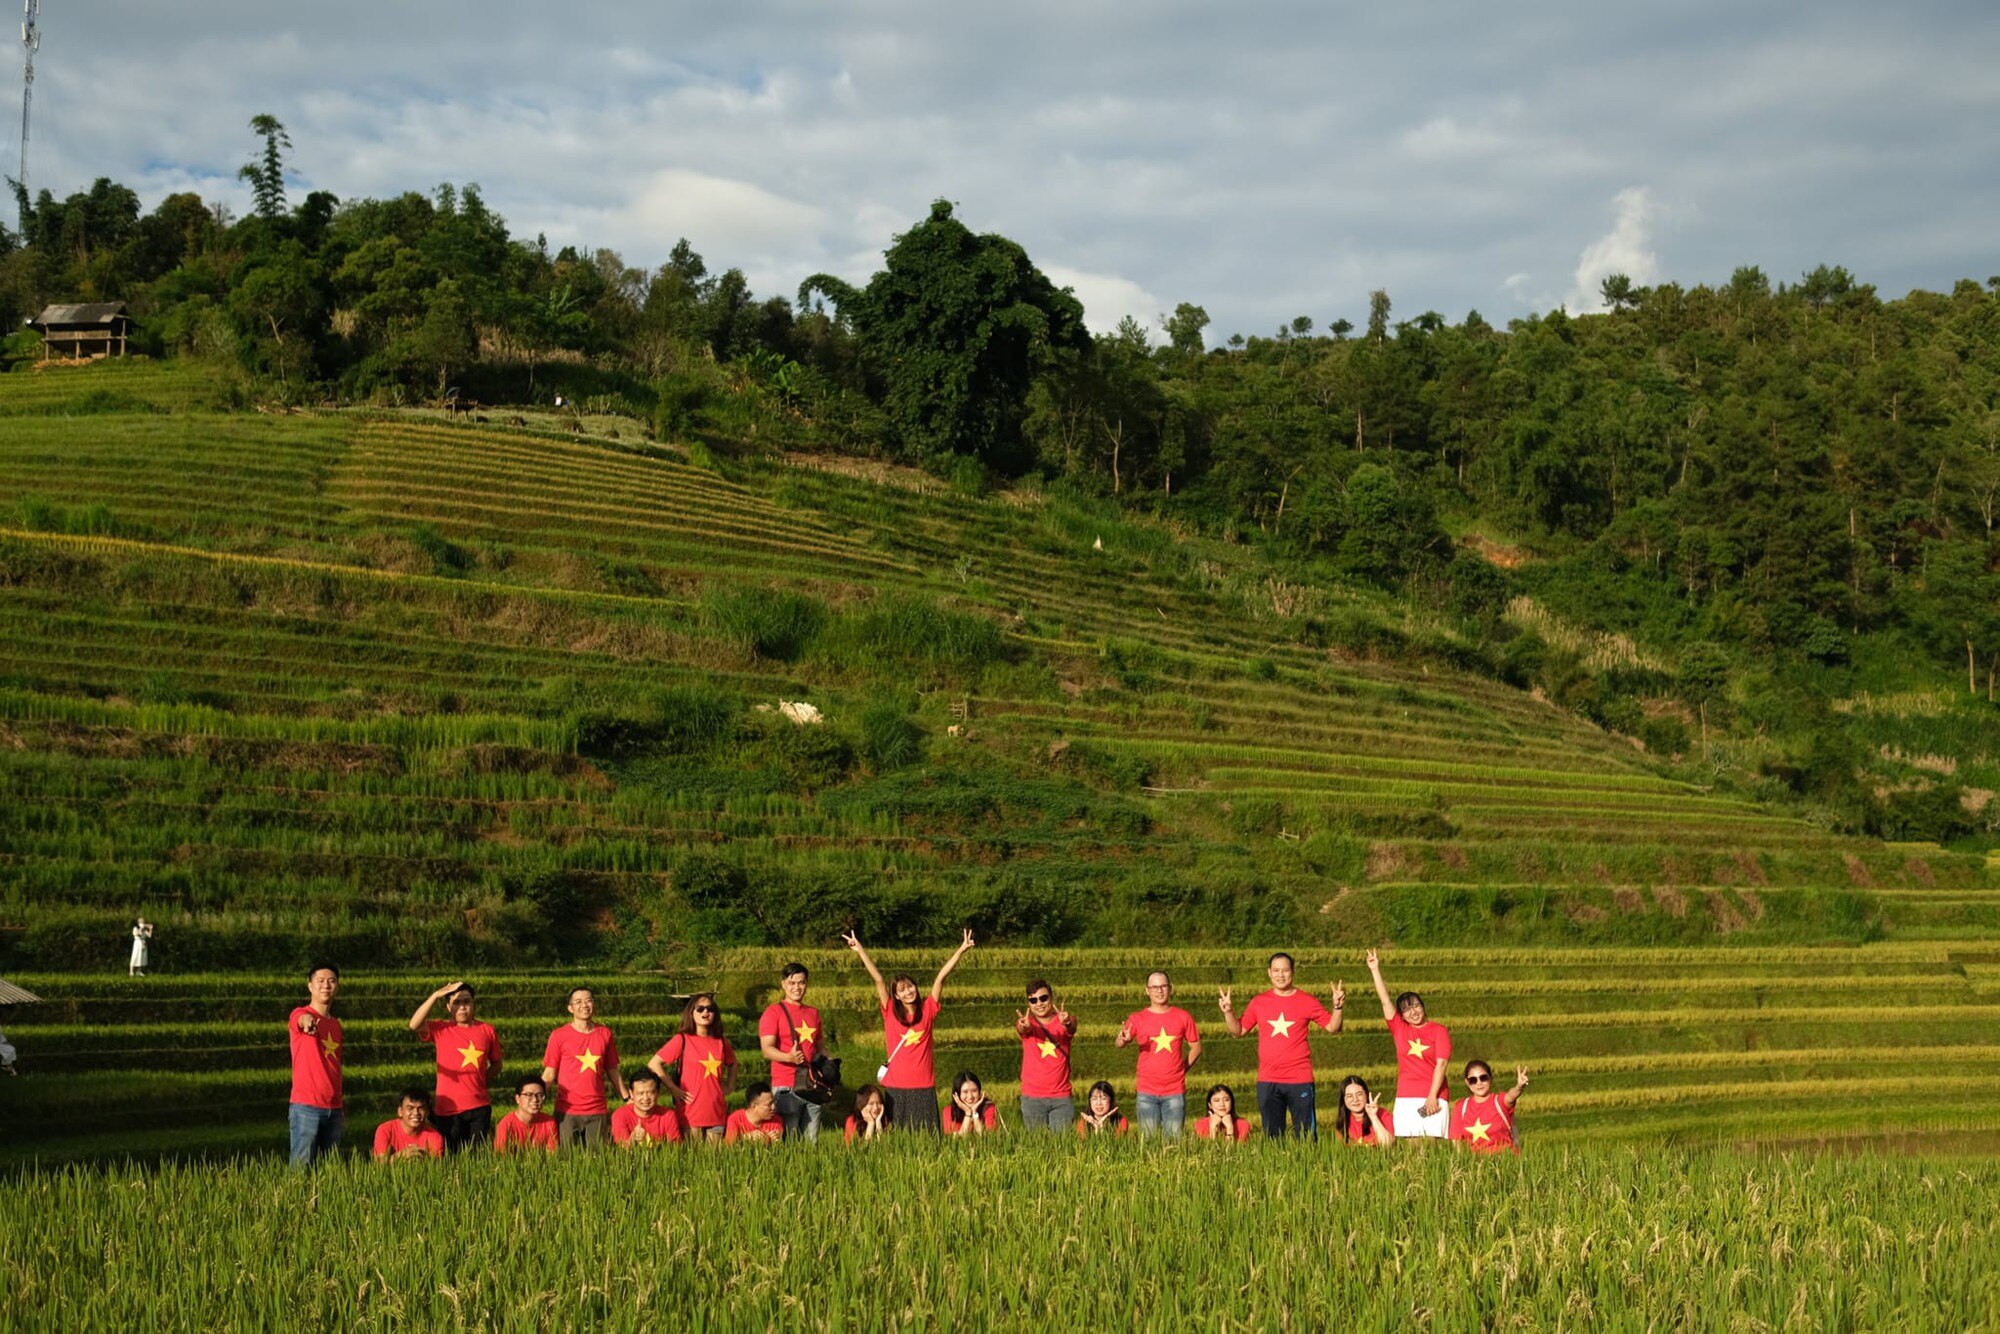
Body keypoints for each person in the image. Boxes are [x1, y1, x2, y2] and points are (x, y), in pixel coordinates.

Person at [842, 928, 974, 1133]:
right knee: (898, 1140)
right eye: (902, 990)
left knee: (927, 1139)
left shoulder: (928, 1010)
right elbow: (878, 979)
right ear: (896, 995)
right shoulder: (890, 1013)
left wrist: (961, 950)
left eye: (910, 986)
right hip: (897, 1088)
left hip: (924, 1086)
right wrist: (860, 949)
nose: (908, 991)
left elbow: (940, 979)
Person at [1218, 953, 1344, 1139]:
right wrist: (1228, 1012)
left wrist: (1338, 1007)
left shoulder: (1307, 1000)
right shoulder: (1259, 1002)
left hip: (1299, 1078)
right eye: (1276, 970)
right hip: (1268, 1079)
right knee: (1272, 1136)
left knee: (1306, 1136)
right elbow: (1238, 1031)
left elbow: (1334, 1027)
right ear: (1269, 973)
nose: (1281, 975)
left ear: (1292, 972)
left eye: (1285, 970)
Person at [408, 980, 503, 1153]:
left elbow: (497, 1064)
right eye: (456, 1002)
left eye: (466, 1001)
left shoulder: (487, 1030)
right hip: (447, 1109)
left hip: (479, 1106)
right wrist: (436, 995)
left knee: (477, 1157)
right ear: (448, 1007)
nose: (462, 1007)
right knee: (451, 1156)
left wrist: (480, 1080)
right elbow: (414, 1024)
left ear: (473, 1004)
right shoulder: (440, 1028)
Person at [1367, 949, 1451, 1139]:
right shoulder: (1400, 1029)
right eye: (1406, 1010)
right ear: (1402, 1015)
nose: (1413, 1012)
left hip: (1434, 1095)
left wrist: (1432, 1096)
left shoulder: (1439, 1030)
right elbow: (1384, 1000)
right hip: (1406, 1096)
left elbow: (1441, 1065)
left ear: (1423, 1006)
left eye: (1415, 1006)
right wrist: (1375, 969)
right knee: (1412, 1148)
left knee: (1431, 1146)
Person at [1114, 970, 1202, 1137]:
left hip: (1175, 1090)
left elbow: (1196, 1047)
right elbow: (1119, 1043)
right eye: (1154, 987)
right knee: (1148, 1142)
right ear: (1147, 990)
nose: (1159, 991)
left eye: (1163, 986)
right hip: (1146, 1091)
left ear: (1170, 988)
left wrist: (1182, 1069)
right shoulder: (1137, 1018)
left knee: (1174, 1143)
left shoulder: (1183, 1017)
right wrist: (1123, 1040)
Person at [540, 986, 626, 1149]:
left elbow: (613, 1070)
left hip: (597, 1109)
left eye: (588, 1001)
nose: (584, 1005)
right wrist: (534, 1096)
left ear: (593, 1004)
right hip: (567, 1110)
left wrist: (627, 1098)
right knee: (566, 1159)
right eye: (578, 1002)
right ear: (570, 1008)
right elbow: (550, 1073)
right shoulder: (559, 1036)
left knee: (597, 1159)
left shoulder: (604, 1034)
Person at [650, 992, 736, 1140]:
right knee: (692, 1158)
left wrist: (729, 1085)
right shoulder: (682, 1039)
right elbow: (654, 1063)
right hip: (690, 1112)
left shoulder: (721, 1042)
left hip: (716, 1111)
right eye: (700, 1008)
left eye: (710, 1009)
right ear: (691, 1012)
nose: (706, 1012)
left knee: (716, 1160)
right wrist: (673, 1088)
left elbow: (733, 1063)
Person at [758, 961, 827, 1141]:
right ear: (783, 984)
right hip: (786, 1084)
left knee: (811, 1140)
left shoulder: (813, 1013)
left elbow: (820, 1046)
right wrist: (788, 1057)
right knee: (788, 1139)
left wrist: (829, 1066)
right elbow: (767, 1049)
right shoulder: (773, 1012)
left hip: (813, 1084)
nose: (797, 987)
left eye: (801, 982)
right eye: (792, 983)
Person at [288, 964, 344, 1167]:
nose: (326, 985)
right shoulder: (300, 1013)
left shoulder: (336, 1024)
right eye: (320, 981)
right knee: (301, 1167)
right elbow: (300, 1020)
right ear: (310, 986)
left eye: (331, 981)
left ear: (337, 986)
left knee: (331, 1170)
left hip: (334, 1107)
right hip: (306, 1106)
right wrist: (306, 1021)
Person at [1014, 978, 1077, 1132]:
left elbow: (1072, 1028)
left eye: (1043, 998)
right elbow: (1022, 1029)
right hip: (1032, 1097)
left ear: (1051, 997)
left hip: (1061, 1096)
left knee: (1061, 1145)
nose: (1039, 1003)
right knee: (1037, 1146)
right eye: (1033, 1000)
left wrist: (1067, 1021)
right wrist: (1024, 1026)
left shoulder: (1063, 1021)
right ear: (1029, 1003)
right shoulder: (1026, 1023)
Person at [1449, 1061, 1528, 1156]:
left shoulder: (1499, 1101)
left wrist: (1519, 1087)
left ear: (1491, 1078)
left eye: (1483, 1078)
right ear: (1467, 1082)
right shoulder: (1461, 1107)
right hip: (1478, 1165)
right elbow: (1456, 1141)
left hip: (1506, 1159)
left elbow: (1511, 1096)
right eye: (1473, 1080)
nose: (1479, 1083)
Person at [611, 1070, 685, 1148]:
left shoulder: (668, 1116)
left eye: (650, 1093)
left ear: (658, 1093)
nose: (646, 1098)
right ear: (631, 1094)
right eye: (640, 1093)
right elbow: (621, 1151)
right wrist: (633, 1138)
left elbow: (676, 1149)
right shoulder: (620, 1116)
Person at [372, 1087, 445, 1161]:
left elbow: (435, 1165)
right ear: (400, 1111)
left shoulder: (435, 1137)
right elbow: (380, 1163)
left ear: (427, 1112)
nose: (416, 1113)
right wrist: (404, 1154)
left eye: (420, 1108)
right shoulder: (385, 1130)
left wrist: (422, 1156)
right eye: (410, 1108)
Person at [493, 1077, 558, 1154]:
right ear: (517, 1098)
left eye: (539, 1095)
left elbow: (552, 1157)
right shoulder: (506, 1126)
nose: (535, 1100)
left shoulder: (549, 1123)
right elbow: (502, 1159)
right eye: (529, 1095)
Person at [1331, 1075, 1395, 1147]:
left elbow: (1388, 1144)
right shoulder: (1343, 1122)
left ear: (1366, 1095)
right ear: (1344, 1100)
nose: (1355, 1099)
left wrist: (1373, 1116)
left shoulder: (1383, 1115)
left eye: (1359, 1094)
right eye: (1349, 1096)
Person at [944, 1071, 1001, 1136]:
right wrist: (968, 1113)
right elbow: (955, 1140)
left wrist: (974, 1113)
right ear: (956, 1094)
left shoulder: (989, 1108)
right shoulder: (948, 1111)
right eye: (965, 1092)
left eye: (974, 1091)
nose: (970, 1096)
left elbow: (987, 1138)